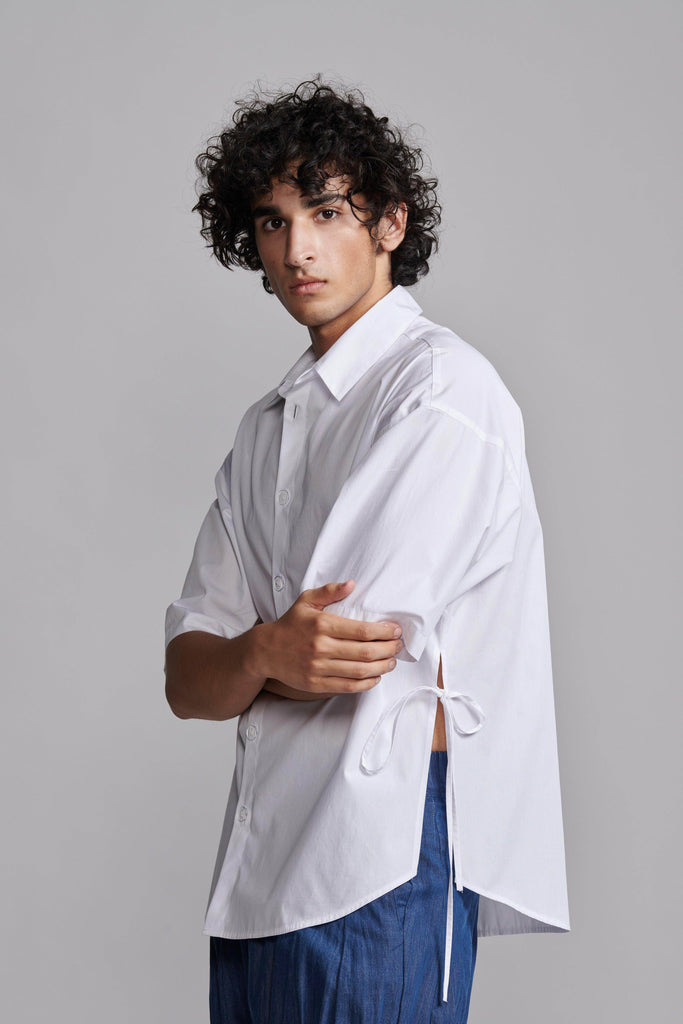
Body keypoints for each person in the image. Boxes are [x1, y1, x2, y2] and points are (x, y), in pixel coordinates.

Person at [164, 76, 570, 1024]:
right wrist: (262, 651)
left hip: (377, 853)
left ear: (389, 222)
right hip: (260, 866)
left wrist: (251, 656)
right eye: (271, 221)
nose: (296, 248)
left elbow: (341, 651)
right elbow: (188, 680)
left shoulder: (440, 393)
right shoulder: (266, 429)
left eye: (326, 211)